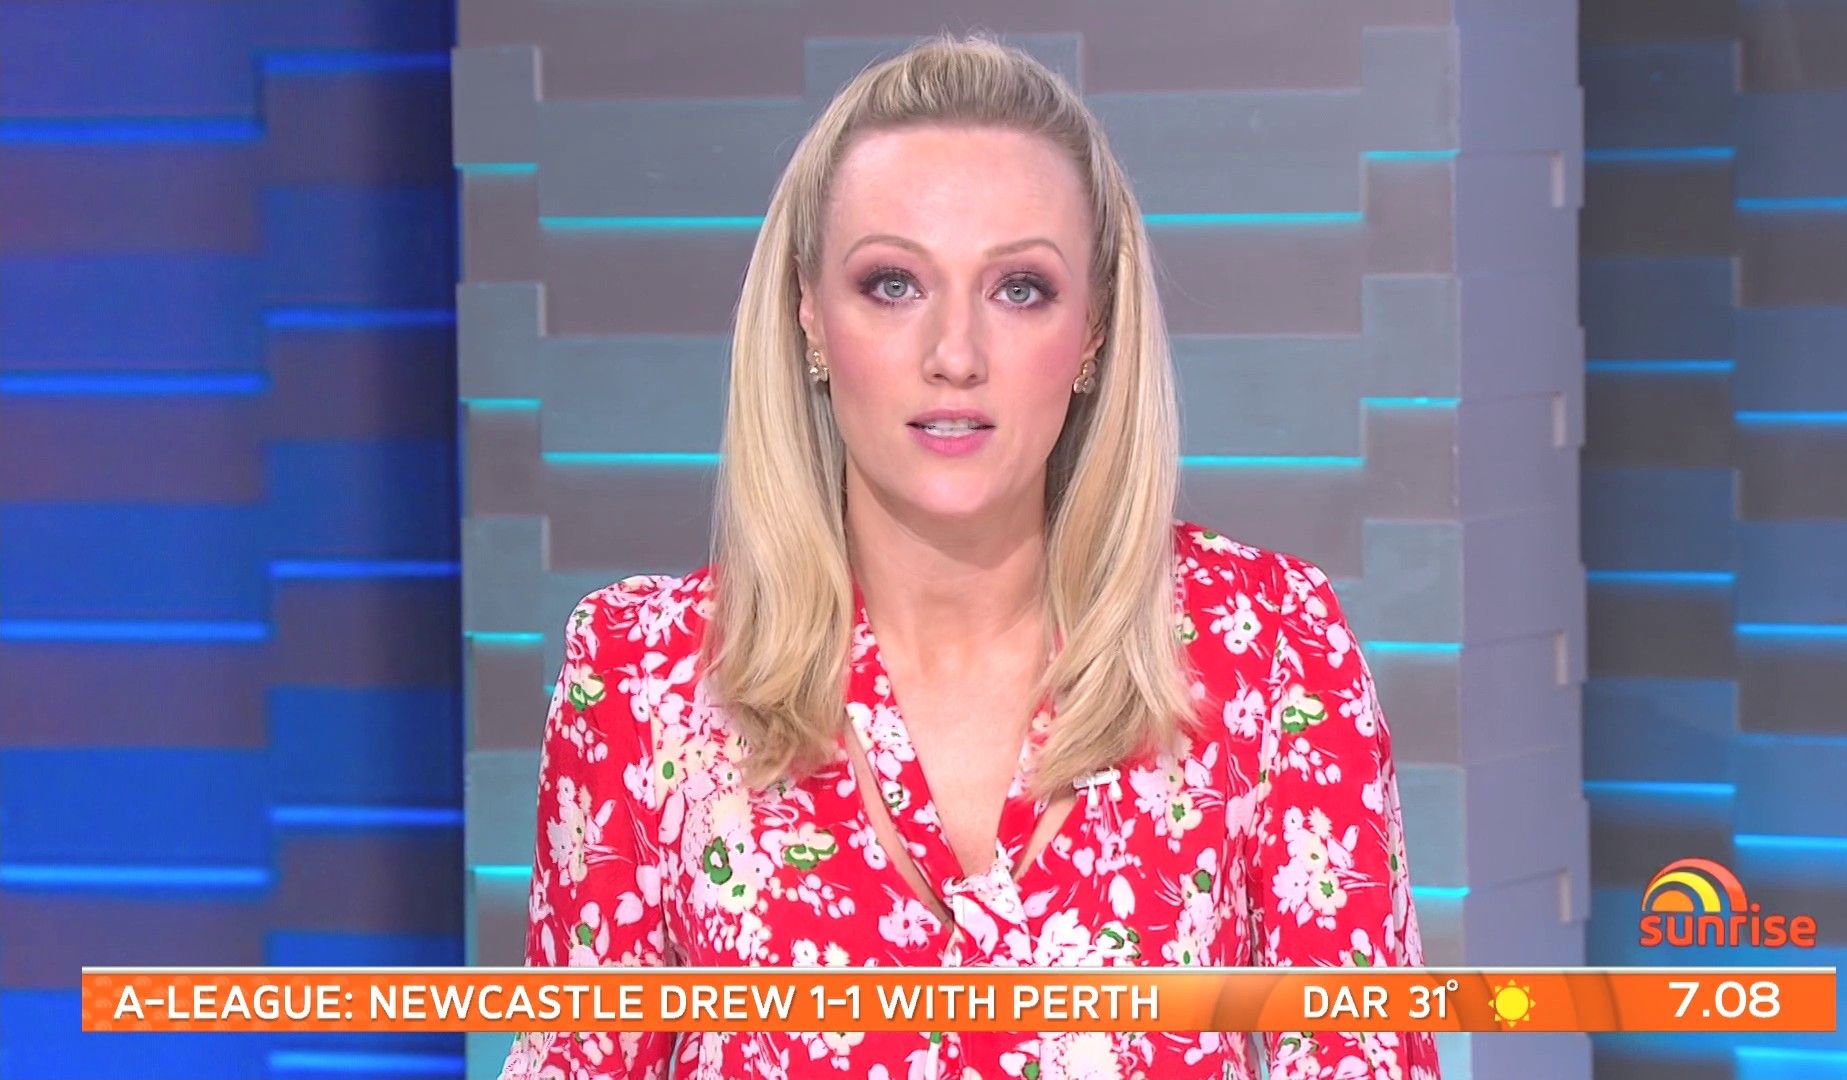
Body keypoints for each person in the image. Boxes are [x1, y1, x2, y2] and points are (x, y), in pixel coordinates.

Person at [499, 31, 1441, 1080]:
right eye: (893, 284)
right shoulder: (641, 677)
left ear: (1094, 330)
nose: (955, 355)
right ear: (809, 315)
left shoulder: (1268, 649)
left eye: (1020, 289)